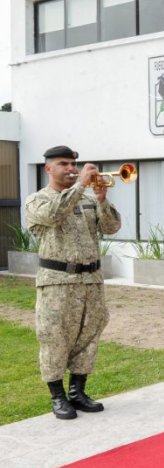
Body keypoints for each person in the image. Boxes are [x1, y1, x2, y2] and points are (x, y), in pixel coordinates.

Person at [25, 145, 122, 420]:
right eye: (64, 164)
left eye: (73, 164)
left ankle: (78, 393)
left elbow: (112, 227)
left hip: (91, 281)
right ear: (48, 169)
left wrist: (102, 200)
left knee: (88, 336)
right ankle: (58, 396)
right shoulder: (37, 200)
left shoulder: (86, 200)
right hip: (57, 282)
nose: (71, 168)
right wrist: (80, 185)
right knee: (55, 337)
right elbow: (54, 215)